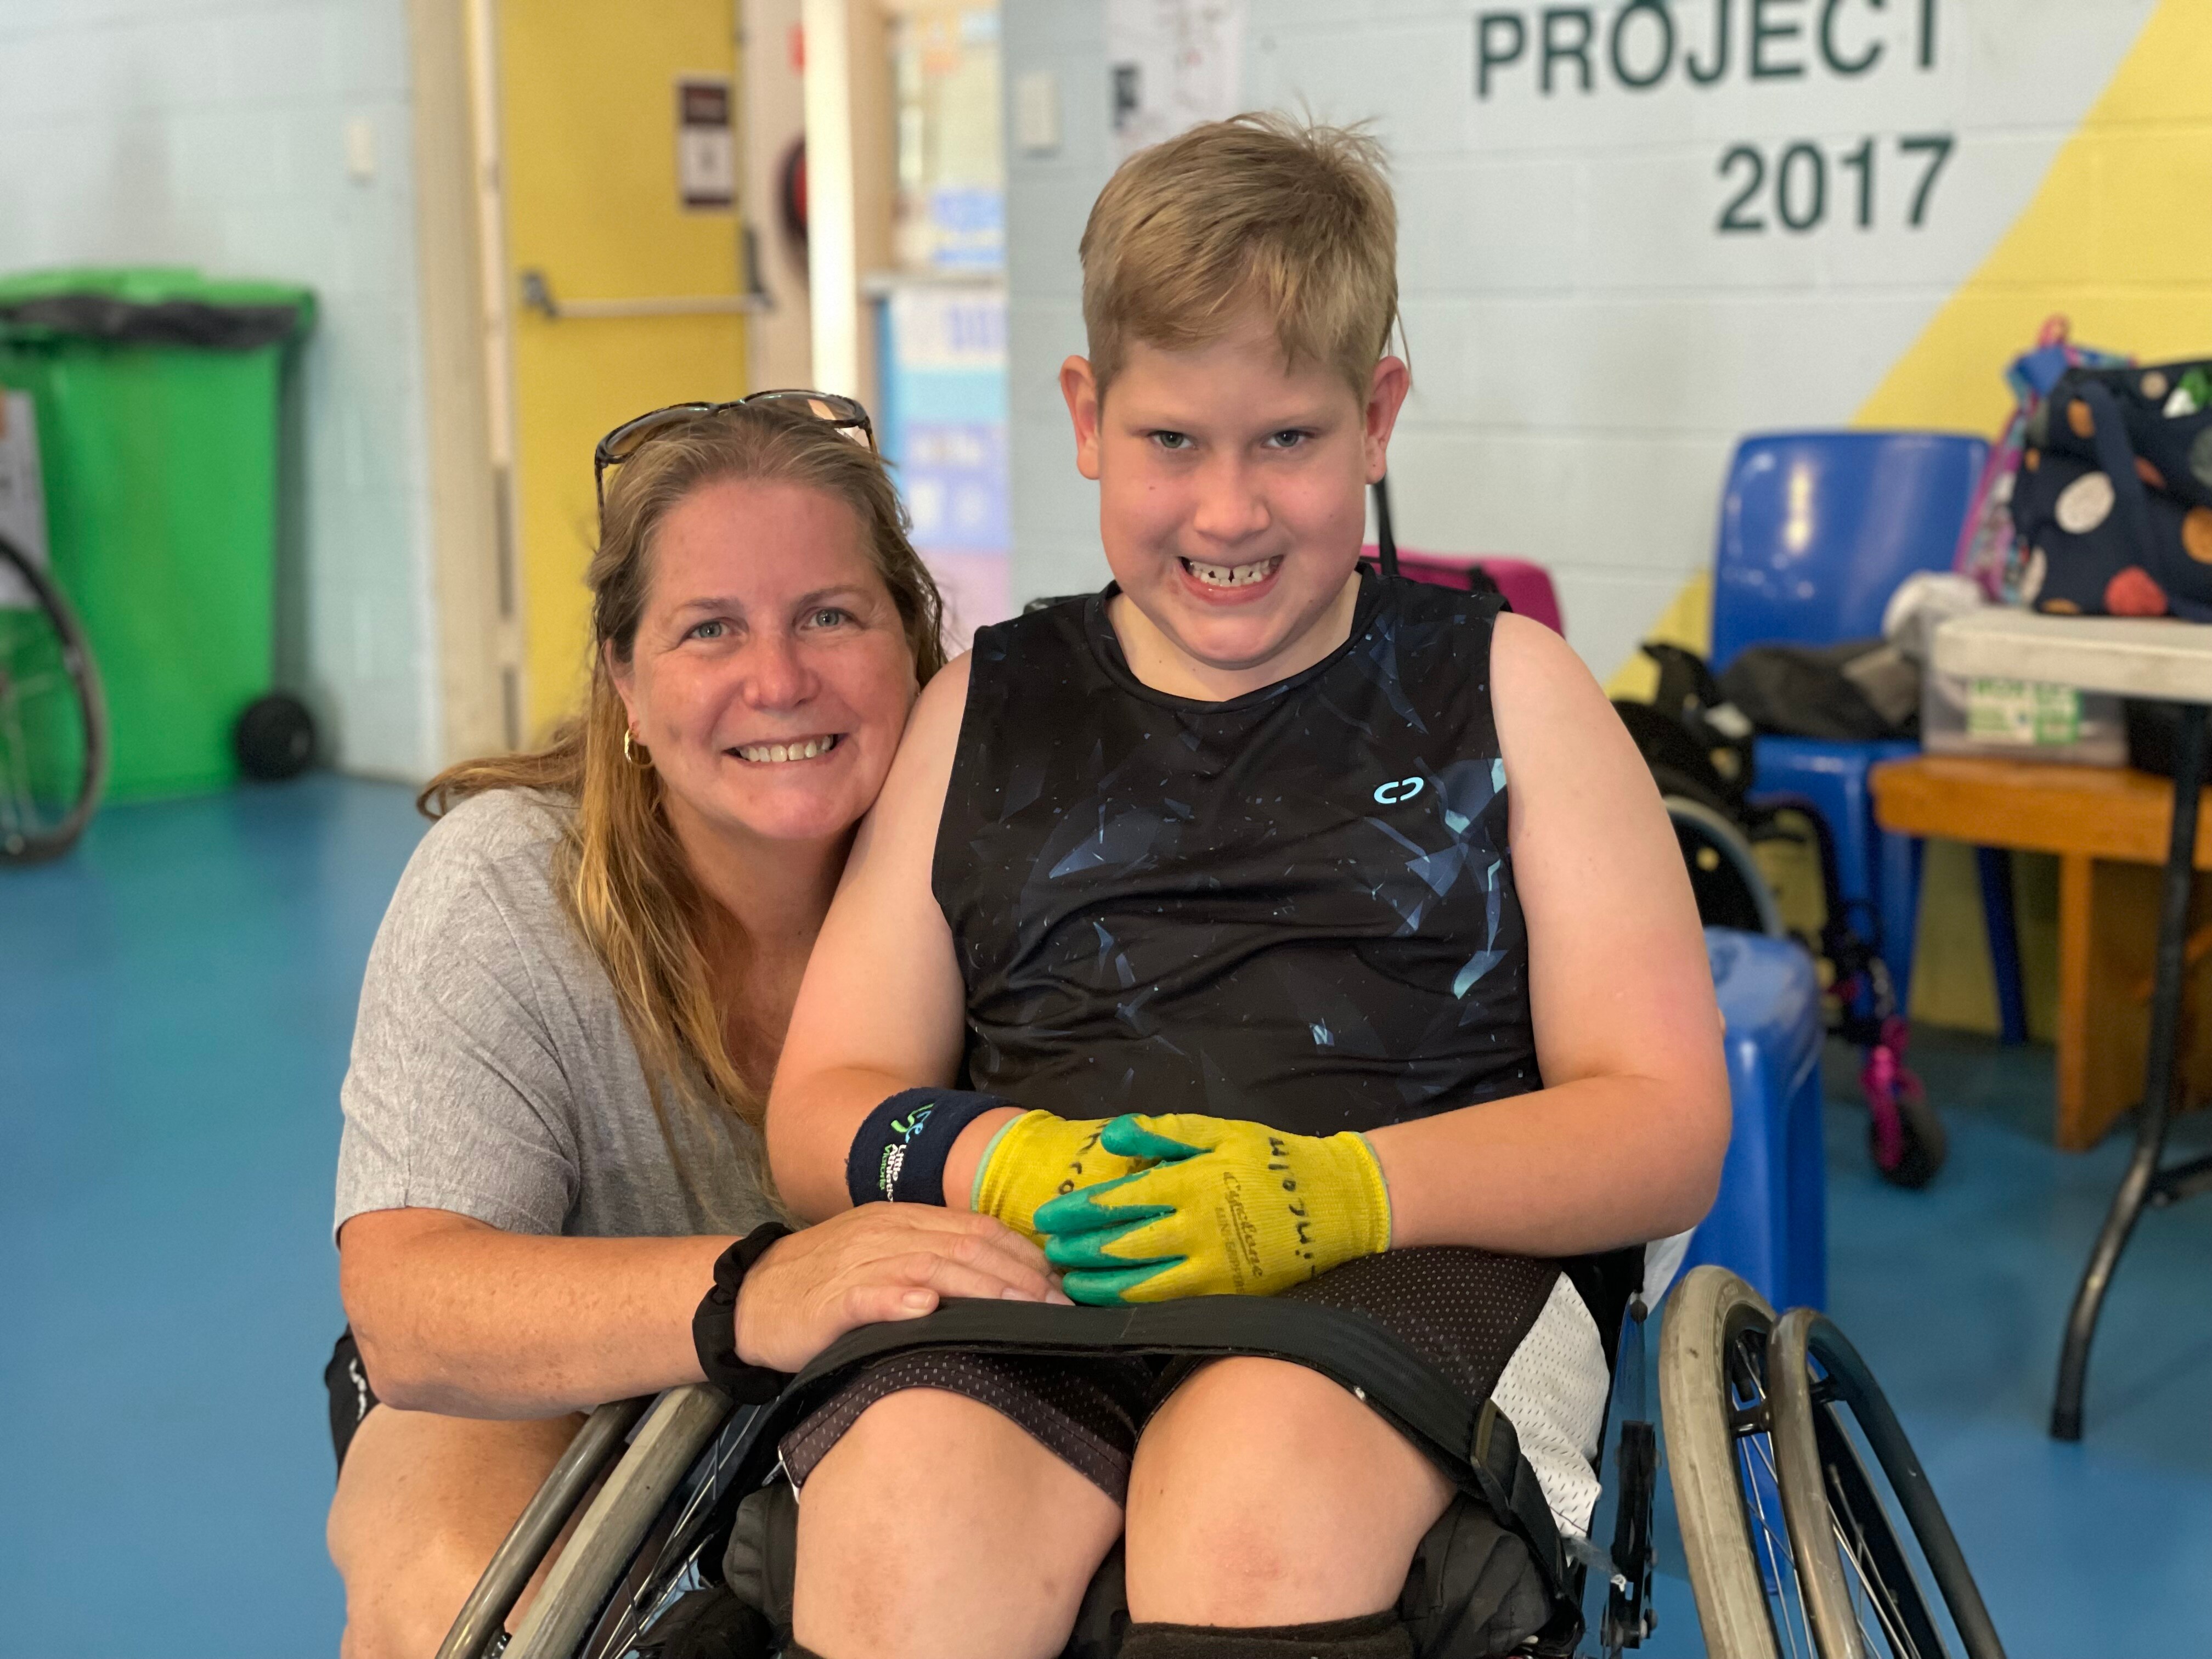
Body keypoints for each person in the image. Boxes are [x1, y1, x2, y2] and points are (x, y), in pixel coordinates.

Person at [766, 117, 1732, 1659]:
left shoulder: (1514, 695)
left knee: (1252, 1504)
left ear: (1377, 417)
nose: (1227, 511)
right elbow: (823, 1103)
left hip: (1414, 1262)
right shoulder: (982, 711)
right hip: (1050, 1269)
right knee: (902, 1506)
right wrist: (1000, 1161)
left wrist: (1346, 1190)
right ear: (1087, 416)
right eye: (1172, 442)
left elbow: (1666, 1124)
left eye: (1287, 439)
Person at [325, 397, 1065, 1659]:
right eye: (709, 629)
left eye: (829, 616)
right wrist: (760, 1288)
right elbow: (408, 1309)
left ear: (915, 641)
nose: (778, 681)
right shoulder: (506, 888)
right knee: (446, 1590)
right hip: (573, 1375)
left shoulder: (1023, 869)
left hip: (917, 1386)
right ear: (624, 679)